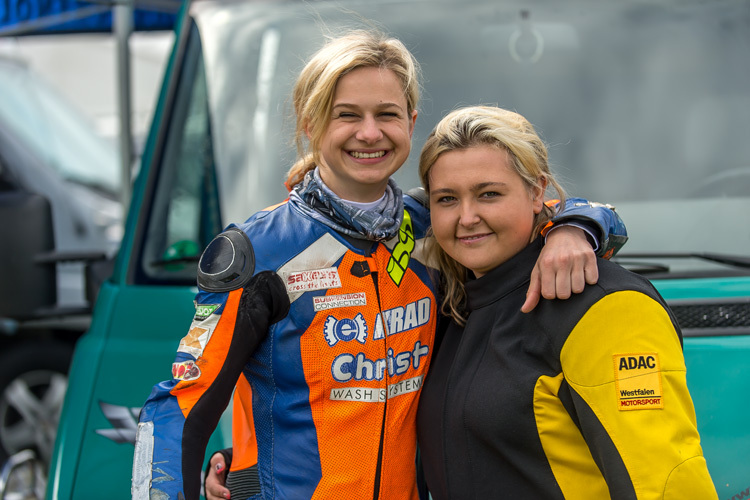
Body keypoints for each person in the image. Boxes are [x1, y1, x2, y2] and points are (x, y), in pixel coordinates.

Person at [132, 31, 627, 500]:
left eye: (387, 114)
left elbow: (567, 210)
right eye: (347, 114)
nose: (370, 134)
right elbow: (176, 407)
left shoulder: (436, 225)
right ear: (311, 123)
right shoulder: (258, 254)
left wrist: (576, 227)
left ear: (410, 123)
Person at [414, 105, 717, 499]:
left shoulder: (607, 307)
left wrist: (579, 223)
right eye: (447, 199)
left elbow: (667, 484)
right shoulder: (450, 309)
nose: (467, 217)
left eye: (489, 194)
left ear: (537, 191)